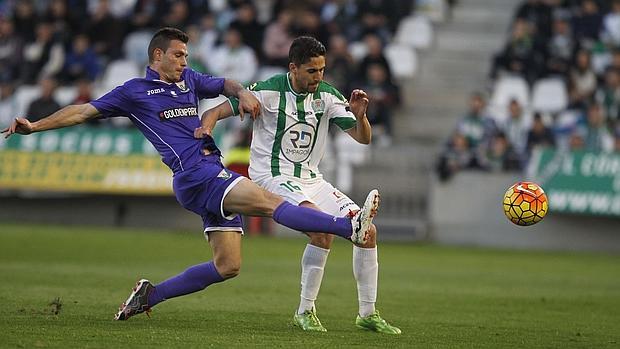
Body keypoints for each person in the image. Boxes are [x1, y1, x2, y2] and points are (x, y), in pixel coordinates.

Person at [1, 28, 380, 322]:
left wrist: (242, 94)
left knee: (227, 266)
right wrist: (34, 126)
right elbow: (83, 111)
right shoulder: (134, 92)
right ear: (158, 55)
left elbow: (225, 84)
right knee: (271, 200)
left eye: (187, 55)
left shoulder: (190, 81)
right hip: (195, 175)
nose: (185, 61)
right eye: (179, 55)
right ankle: (349, 228)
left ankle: (150, 296)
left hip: (209, 172)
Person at [201, 36, 401, 335]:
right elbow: (214, 112)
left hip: (311, 179)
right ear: (293, 68)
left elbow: (363, 138)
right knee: (321, 230)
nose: (318, 77)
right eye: (312, 71)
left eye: (322, 70)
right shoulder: (267, 91)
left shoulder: (328, 95)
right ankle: (305, 311)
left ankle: (368, 314)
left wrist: (361, 118)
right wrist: (206, 132)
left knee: (368, 233)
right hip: (273, 176)